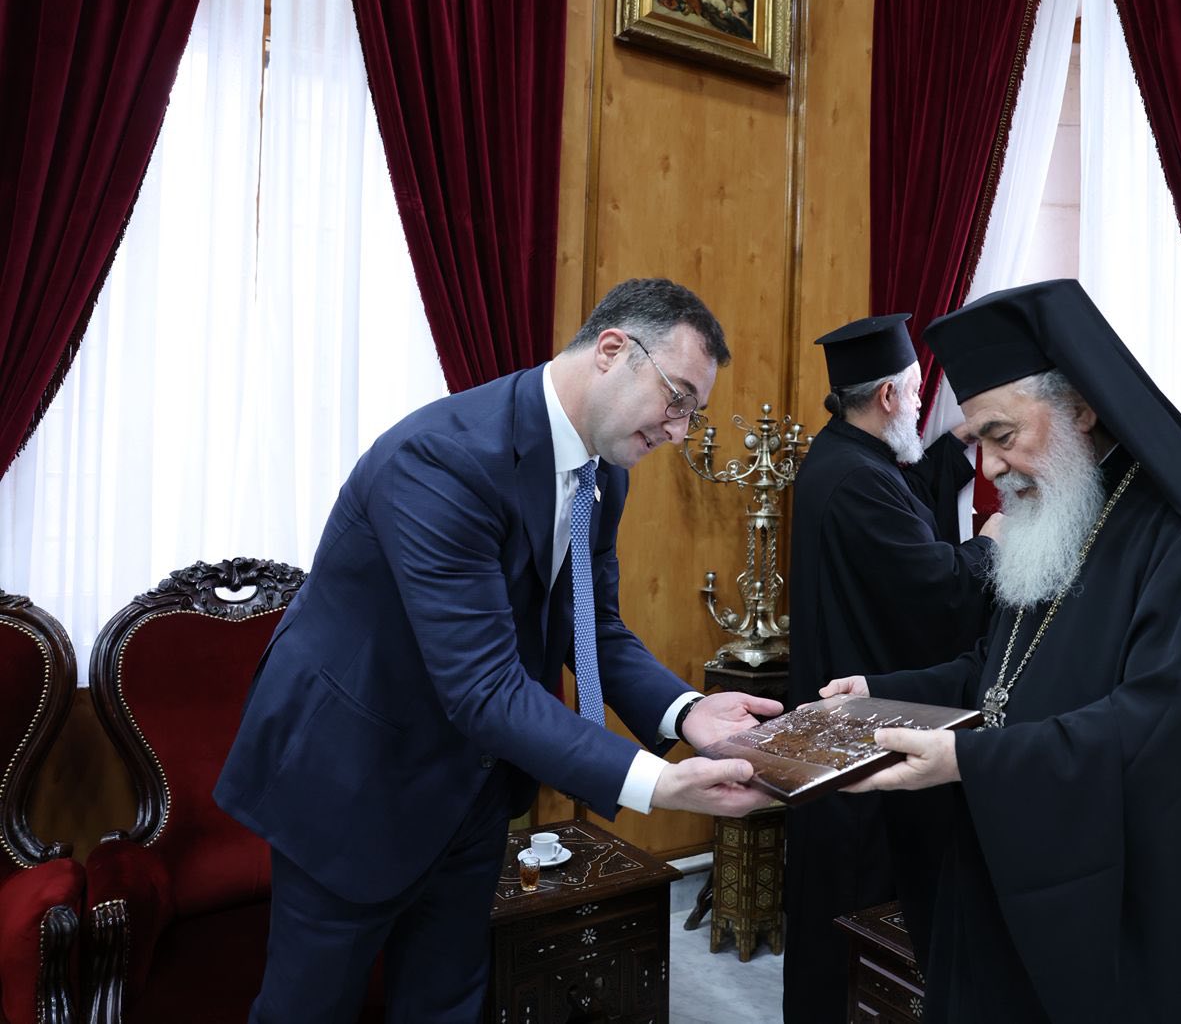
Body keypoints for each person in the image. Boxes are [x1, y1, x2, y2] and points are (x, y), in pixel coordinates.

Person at [215, 278, 782, 1022]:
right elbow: (483, 686)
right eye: (677, 399)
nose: (679, 432)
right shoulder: (441, 460)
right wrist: (659, 785)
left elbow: (592, 627)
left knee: (448, 1002)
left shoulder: (603, 473)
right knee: (309, 1009)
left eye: (693, 414)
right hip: (353, 777)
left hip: (473, 784)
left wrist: (688, 713)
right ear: (613, 350)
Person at [821, 280, 1181, 1023]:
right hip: (1027, 867)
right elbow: (1001, 673)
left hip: (1139, 918)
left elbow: (1164, 730)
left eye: (1002, 435)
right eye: (979, 443)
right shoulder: (1061, 514)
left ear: (1081, 408)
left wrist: (971, 761)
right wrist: (884, 692)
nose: (988, 469)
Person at [783, 314, 998, 1023]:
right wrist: (994, 545)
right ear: (886, 397)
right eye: (914, 392)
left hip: (844, 715)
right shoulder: (857, 480)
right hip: (862, 731)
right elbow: (936, 591)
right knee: (855, 905)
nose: (920, 402)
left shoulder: (842, 456)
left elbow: (909, 498)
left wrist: (960, 445)